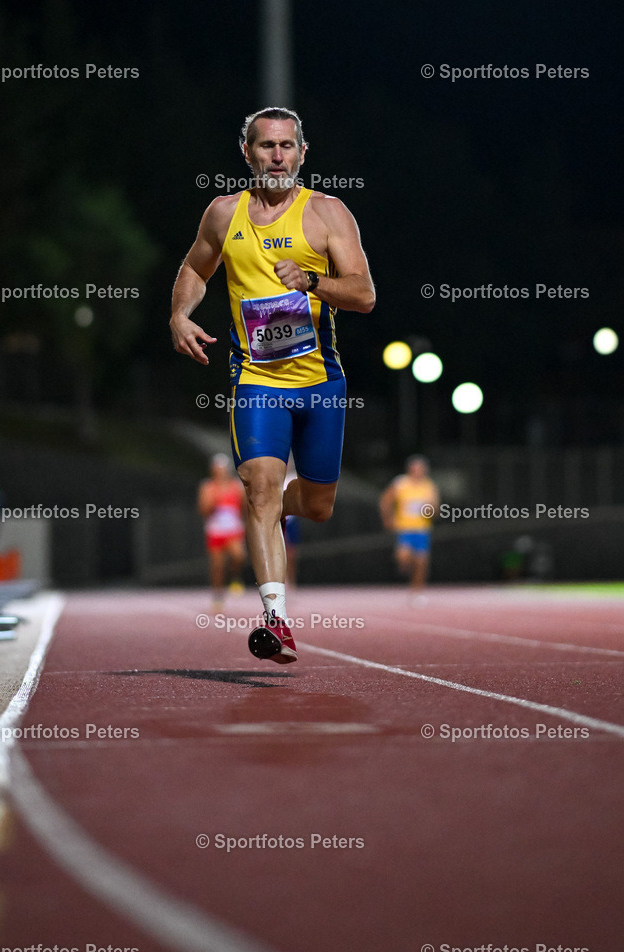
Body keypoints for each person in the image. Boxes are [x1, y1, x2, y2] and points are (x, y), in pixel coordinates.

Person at [171, 107, 375, 663]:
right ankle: (276, 620)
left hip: (319, 382)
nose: (277, 157)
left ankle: (278, 508)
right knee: (259, 486)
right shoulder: (222, 214)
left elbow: (364, 295)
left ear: (303, 153)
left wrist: (311, 280)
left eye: (287, 146)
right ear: (248, 152)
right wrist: (180, 315)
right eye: (266, 147)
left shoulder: (328, 214)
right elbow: (195, 269)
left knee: (318, 506)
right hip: (255, 378)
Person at [380, 455, 439, 590]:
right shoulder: (401, 483)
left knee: (422, 562)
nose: (418, 472)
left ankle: (416, 591)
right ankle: (407, 567)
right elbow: (385, 501)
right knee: (403, 557)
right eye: (415, 469)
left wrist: (431, 509)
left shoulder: (429, 486)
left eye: (421, 469)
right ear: (410, 469)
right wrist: (388, 519)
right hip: (405, 528)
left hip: (422, 529)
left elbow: (435, 510)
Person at [197, 453, 246, 611]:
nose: (221, 471)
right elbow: (203, 510)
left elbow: (244, 507)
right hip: (215, 531)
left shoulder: (236, 486)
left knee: (238, 556)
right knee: (217, 566)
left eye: (223, 469)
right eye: (218, 469)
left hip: (233, 530)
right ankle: (218, 597)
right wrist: (214, 500)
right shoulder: (207, 487)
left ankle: (234, 577)